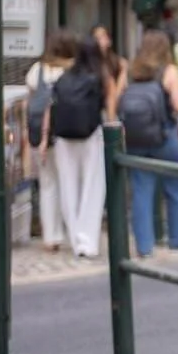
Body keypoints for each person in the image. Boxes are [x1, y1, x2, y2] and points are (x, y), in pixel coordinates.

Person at [118, 30, 178, 257]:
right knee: (175, 188)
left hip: (136, 138)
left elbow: (118, 102)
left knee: (141, 191)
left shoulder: (129, 70)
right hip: (164, 136)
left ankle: (144, 246)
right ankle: (176, 240)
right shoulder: (167, 72)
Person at [45, 37, 111, 259]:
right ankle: (88, 241)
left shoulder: (63, 78)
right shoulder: (96, 77)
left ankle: (75, 239)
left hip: (64, 137)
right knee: (92, 187)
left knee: (68, 187)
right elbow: (105, 105)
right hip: (90, 135)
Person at [23, 31, 77, 251]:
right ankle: (71, 234)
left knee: (47, 185)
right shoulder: (73, 70)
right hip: (65, 133)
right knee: (68, 183)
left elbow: (29, 101)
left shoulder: (38, 70)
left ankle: (50, 237)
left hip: (39, 136)